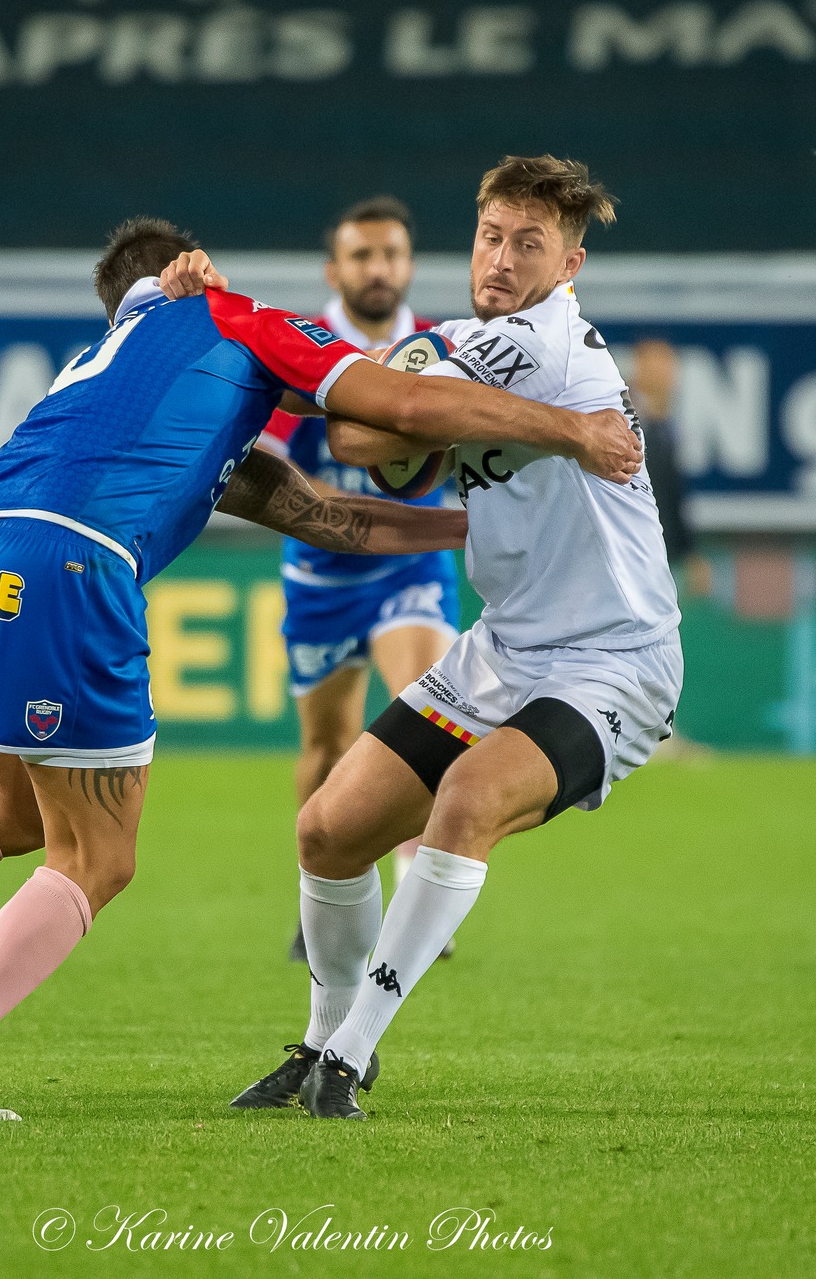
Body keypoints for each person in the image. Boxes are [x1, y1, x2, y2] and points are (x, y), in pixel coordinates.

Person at [0, 216, 644, 1123]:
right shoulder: (235, 316)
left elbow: (328, 518)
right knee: (100, 858)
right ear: (190, 274)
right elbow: (396, 408)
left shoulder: (111, 372)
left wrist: (472, 526)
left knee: (19, 816)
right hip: (71, 567)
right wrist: (574, 429)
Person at [228, 155, 681, 1119]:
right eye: (491, 235)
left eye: (531, 245)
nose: (503, 258)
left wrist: (392, 412)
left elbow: (364, 436)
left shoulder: (538, 346)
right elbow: (379, 442)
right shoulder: (464, 342)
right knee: (327, 829)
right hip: (507, 649)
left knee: (469, 797)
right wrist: (405, 416)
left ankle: (344, 1058)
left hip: (616, 659)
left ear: (571, 266)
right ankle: (319, 1035)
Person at [259, 197, 460, 964]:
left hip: (409, 562)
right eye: (363, 256)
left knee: (424, 709)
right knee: (327, 744)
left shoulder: (437, 349)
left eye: (392, 255)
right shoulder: (299, 349)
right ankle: (325, 895)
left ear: (408, 264)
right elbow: (268, 459)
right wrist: (324, 500)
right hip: (321, 573)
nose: (379, 269)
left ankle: (415, 887)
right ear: (334, 269)